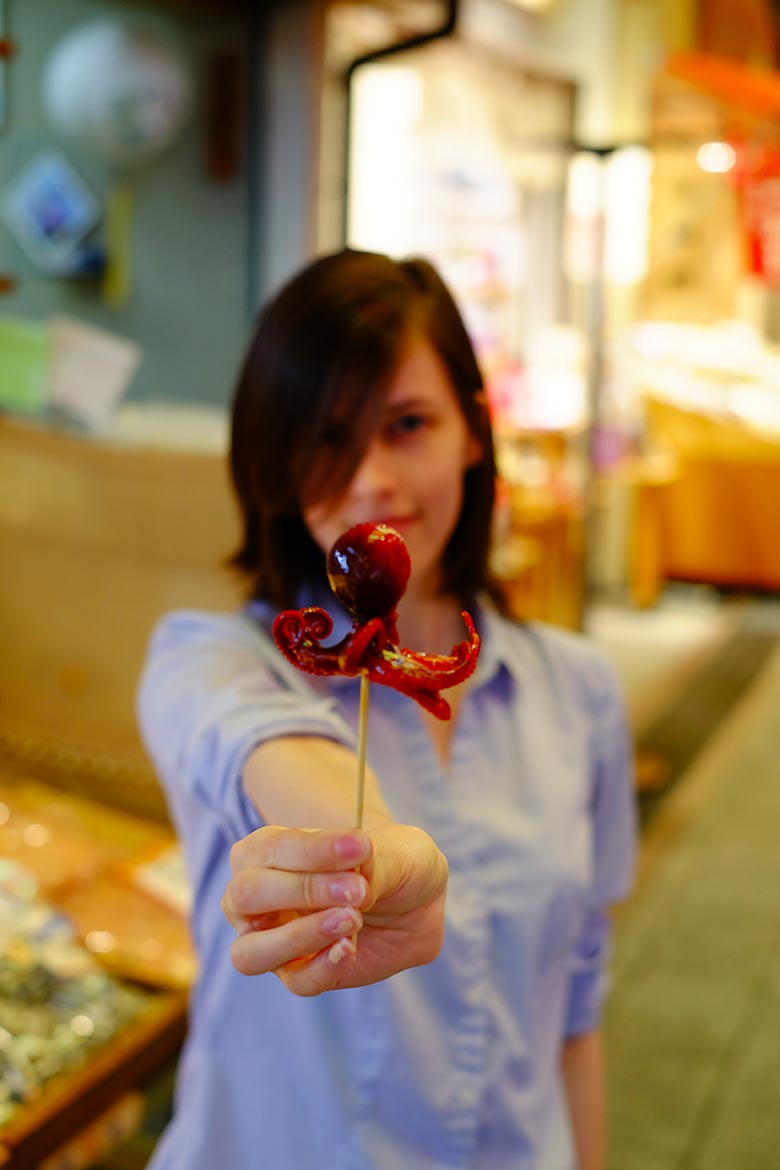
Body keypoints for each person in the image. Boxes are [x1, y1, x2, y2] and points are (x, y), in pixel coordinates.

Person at [137, 248, 637, 1170]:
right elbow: (261, 744)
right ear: (276, 461)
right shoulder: (208, 660)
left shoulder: (580, 690)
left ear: (474, 433)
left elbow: (574, 1004)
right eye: (328, 438)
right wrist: (367, 841)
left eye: (407, 424)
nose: (370, 477)